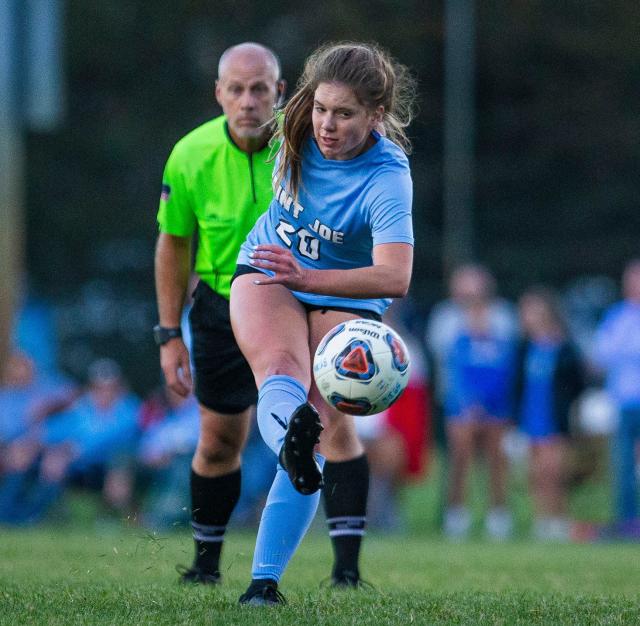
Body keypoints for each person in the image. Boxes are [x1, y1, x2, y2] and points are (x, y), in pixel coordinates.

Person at [154, 42, 374, 586]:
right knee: (219, 439)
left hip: (303, 299)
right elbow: (173, 243)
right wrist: (167, 333)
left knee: (332, 424)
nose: (248, 101)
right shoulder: (189, 154)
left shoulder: (310, 142)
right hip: (221, 302)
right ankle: (206, 567)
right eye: (236, 89)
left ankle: (346, 572)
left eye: (260, 89)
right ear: (219, 94)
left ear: (280, 92)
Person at [229, 42, 415, 605]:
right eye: (321, 110)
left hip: (344, 291)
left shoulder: (387, 176)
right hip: (269, 265)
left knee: (319, 412)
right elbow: (238, 120)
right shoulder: (294, 122)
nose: (327, 125)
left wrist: (308, 277)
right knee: (281, 377)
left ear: (375, 115)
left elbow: (393, 277)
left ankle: (265, 581)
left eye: (345, 114)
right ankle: (263, 585)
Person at [435, 264, 518, 540]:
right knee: (460, 456)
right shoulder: (446, 317)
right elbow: (446, 359)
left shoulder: (503, 316)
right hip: (459, 401)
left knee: (497, 459)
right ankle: (456, 515)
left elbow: (507, 360)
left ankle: (499, 515)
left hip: (497, 400)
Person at [514, 287, 586, 541]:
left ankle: (559, 517)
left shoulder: (564, 347)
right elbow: (518, 384)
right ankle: (542, 520)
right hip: (530, 414)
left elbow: (578, 382)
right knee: (536, 472)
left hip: (555, 416)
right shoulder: (525, 347)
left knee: (554, 471)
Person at [592, 259, 640, 529]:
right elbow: (602, 354)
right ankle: (628, 521)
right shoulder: (616, 316)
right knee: (622, 467)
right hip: (625, 402)